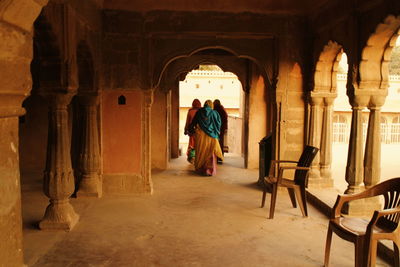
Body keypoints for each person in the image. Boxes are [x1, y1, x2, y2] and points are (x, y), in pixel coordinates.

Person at [189, 100, 223, 176]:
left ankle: (201, 170)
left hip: (201, 136)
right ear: (211, 105)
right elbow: (218, 124)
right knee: (210, 153)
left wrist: (192, 131)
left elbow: (193, 123)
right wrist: (216, 133)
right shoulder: (214, 113)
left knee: (201, 152)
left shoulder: (199, 112)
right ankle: (210, 170)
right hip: (211, 137)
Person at [184, 99, 202, 163]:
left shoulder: (190, 111)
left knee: (192, 144)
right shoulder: (202, 111)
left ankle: (191, 158)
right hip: (200, 131)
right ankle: (198, 158)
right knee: (199, 145)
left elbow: (187, 121)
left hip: (192, 131)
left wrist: (185, 130)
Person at [213, 99, 228, 164]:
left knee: (215, 143)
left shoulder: (214, 110)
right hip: (221, 129)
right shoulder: (222, 110)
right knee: (220, 143)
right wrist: (224, 128)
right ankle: (220, 157)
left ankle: (215, 157)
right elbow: (225, 120)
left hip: (214, 130)